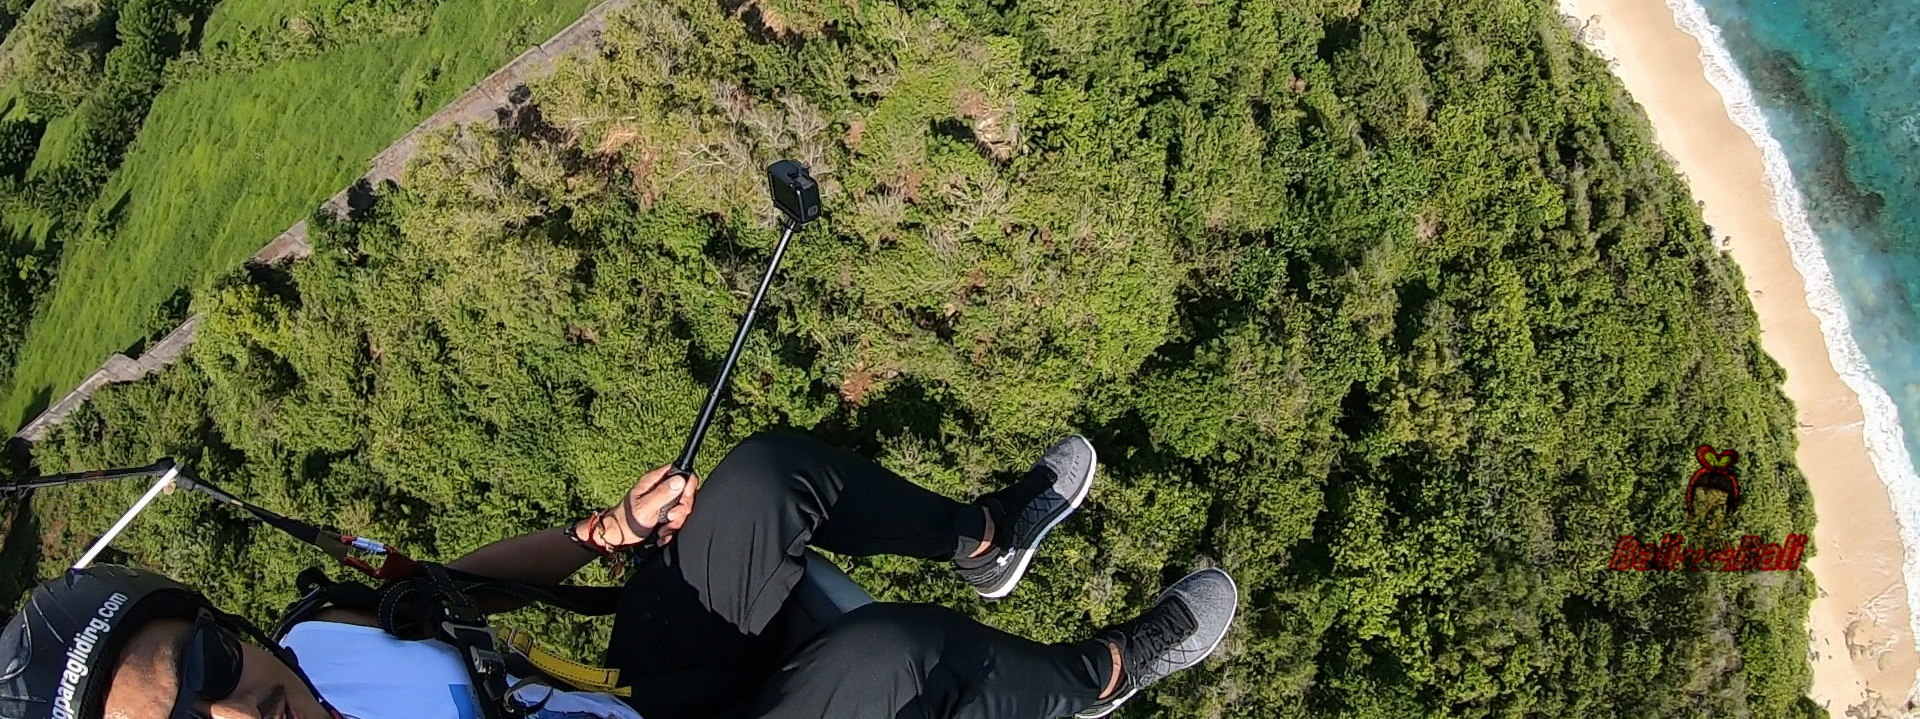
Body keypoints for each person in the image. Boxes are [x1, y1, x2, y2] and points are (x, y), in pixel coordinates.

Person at [0, 430, 1236, 719]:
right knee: (897, 658)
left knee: (762, 480)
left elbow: (453, 589)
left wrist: (606, 534)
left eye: (206, 662)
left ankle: (987, 538)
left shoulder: (322, 635)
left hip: (634, 683)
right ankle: (1105, 673)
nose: (228, 712)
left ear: (228, 625)